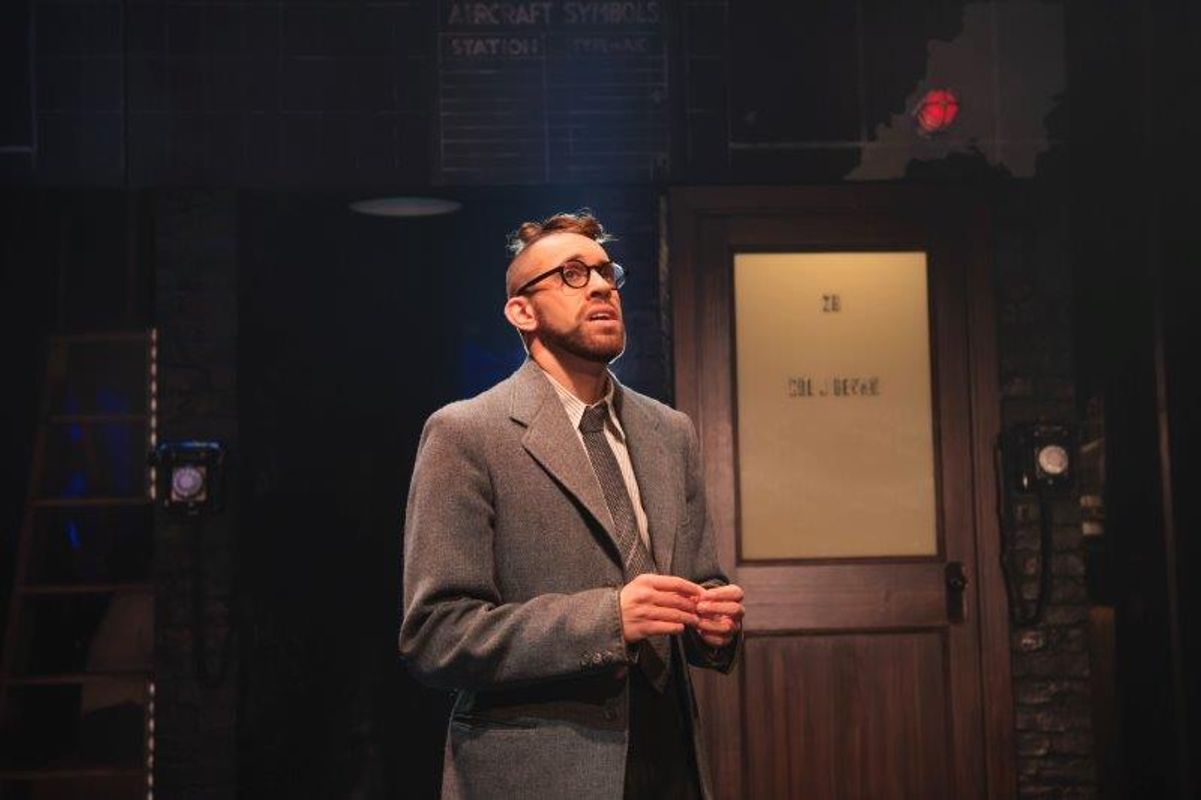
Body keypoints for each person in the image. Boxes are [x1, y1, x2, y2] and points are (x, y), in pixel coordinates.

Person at [400, 211, 744, 800]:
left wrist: (713, 626)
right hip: (541, 768)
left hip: (669, 761)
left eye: (607, 272)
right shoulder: (468, 433)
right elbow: (438, 635)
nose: (603, 285)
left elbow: (698, 580)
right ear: (522, 312)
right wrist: (607, 620)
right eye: (572, 274)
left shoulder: (670, 431)